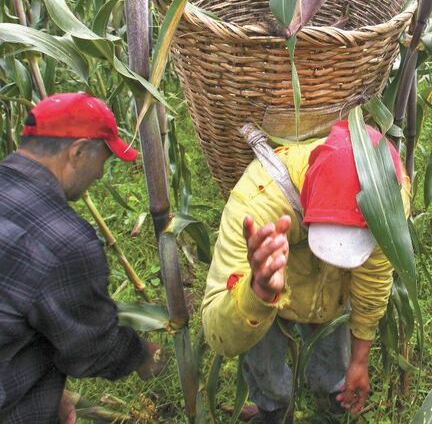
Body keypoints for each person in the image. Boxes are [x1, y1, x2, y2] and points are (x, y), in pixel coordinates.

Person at [202, 119, 409, 423]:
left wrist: (359, 360)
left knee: (334, 362)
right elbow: (217, 334)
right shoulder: (258, 202)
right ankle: (273, 410)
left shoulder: (391, 197)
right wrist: (257, 292)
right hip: (273, 295)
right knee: (265, 367)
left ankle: (332, 403)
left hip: (333, 301)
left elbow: (374, 277)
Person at [0, 92, 168, 423]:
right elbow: (90, 347)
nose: (101, 174)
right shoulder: (63, 241)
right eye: (103, 160)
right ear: (77, 152)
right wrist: (141, 356)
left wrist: (42, 387)